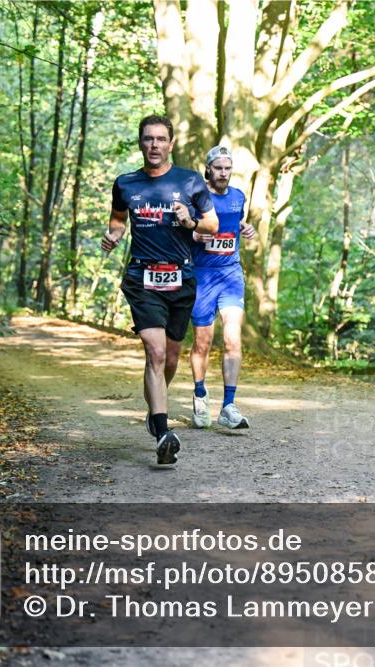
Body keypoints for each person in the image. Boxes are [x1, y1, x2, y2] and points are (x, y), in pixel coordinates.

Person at [101, 114, 219, 465]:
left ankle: (156, 407)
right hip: (142, 279)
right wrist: (114, 235)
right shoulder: (125, 183)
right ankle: (163, 431)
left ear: (171, 144)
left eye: (160, 139)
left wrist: (190, 221)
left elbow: (211, 225)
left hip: (181, 278)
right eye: (148, 139)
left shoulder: (191, 181)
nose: (154, 145)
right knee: (153, 352)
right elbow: (118, 219)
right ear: (141, 142)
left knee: (168, 358)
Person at [189, 145, 257, 429]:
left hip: (230, 275)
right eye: (218, 168)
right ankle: (200, 395)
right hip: (203, 275)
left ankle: (229, 405)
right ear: (208, 169)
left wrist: (248, 228)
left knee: (232, 339)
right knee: (203, 342)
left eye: (228, 168)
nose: (223, 173)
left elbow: (236, 223)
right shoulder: (197, 197)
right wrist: (195, 235)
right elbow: (184, 228)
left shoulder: (238, 197)